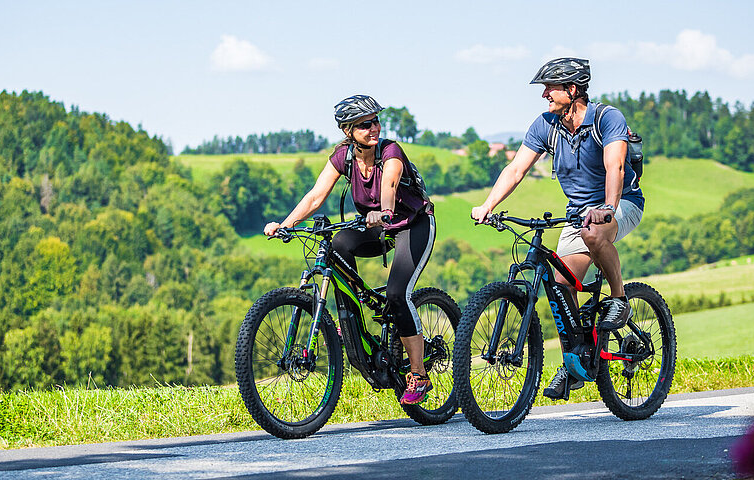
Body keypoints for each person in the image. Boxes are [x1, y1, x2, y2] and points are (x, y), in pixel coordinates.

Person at [470, 58, 645, 401]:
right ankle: (575, 359)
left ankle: (619, 299)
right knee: (562, 281)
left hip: (621, 202)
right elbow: (516, 168)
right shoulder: (546, 124)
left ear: (572, 90)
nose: (544, 95)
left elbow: (616, 165)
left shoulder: (606, 118)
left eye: (550, 88)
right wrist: (488, 204)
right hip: (577, 214)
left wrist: (608, 207)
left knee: (594, 235)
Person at [263, 94, 436, 405]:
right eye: (364, 124)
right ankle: (351, 324)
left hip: (413, 224)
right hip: (377, 227)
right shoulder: (342, 157)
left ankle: (419, 374)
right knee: (340, 244)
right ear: (348, 131)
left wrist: (383, 211)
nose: (374, 128)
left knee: (398, 294)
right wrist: (284, 224)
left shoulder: (390, 151)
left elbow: (390, 186)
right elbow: (316, 196)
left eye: (376, 121)